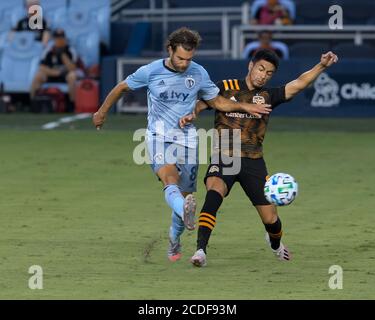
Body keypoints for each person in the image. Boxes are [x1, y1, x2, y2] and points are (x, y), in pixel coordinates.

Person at [92, 27, 272, 262]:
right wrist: (102, 112)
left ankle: (174, 237)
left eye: (189, 58)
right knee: (169, 178)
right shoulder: (151, 71)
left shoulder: (198, 73)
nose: (184, 63)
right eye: (180, 58)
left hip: (187, 140)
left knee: (185, 196)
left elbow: (216, 101)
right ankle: (182, 210)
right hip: (158, 136)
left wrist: (245, 106)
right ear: (170, 50)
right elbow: (121, 87)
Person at [179, 49, 338, 267]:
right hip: (225, 156)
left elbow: (299, 83)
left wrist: (321, 66)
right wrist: (192, 113)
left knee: (271, 220)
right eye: (261, 69)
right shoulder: (224, 87)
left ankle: (275, 245)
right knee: (214, 192)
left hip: (253, 162)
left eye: (269, 73)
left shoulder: (268, 96)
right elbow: (203, 103)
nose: (263, 75)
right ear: (251, 66)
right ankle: (200, 251)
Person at [30, 29, 82, 112]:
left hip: (66, 76)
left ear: (65, 39)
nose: (59, 40)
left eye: (61, 38)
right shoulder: (49, 50)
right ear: (54, 39)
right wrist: (56, 73)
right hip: (52, 74)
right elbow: (42, 67)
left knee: (72, 76)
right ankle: (33, 102)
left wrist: (62, 55)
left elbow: (73, 68)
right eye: (57, 38)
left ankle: (72, 104)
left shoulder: (70, 50)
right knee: (38, 76)